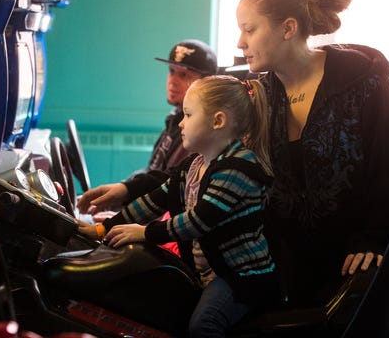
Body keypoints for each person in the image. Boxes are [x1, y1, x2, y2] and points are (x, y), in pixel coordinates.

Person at [235, 0, 389, 318]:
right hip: (285, 273)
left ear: (287, 28)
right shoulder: (258, 98)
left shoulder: (367, 85)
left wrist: (373, 238)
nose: (240, 42)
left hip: (358, 265)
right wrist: (130, 193)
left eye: (249, 29)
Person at [79, 75, 280, 337]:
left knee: (202, 326)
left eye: (188, 115)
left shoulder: (239, 167)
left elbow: (199, 221)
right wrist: (103, 229)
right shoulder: (194, 165)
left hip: (241, 277)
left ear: (218, 121)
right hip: (211, 272)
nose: (181, 123)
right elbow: (155, 200)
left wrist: (144, 232)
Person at [78, 39, 218, 219]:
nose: (173, 82)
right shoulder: (175, 118)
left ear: (206, 82)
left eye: (184, 75)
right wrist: (123, 190)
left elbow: (173, 185)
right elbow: (153, 172)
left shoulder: (196, 131)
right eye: (172, 72)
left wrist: (126, 215)